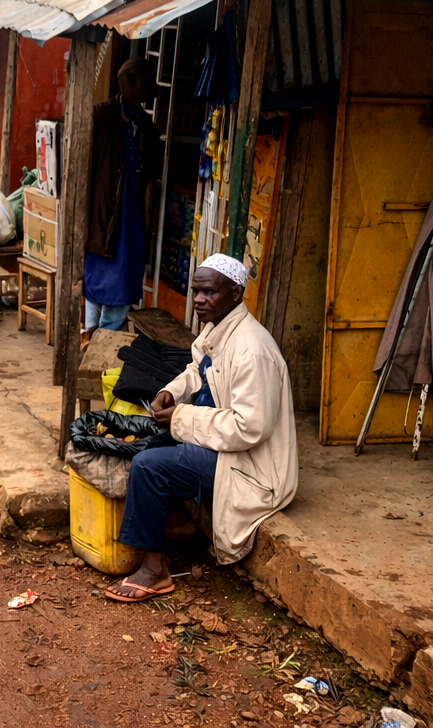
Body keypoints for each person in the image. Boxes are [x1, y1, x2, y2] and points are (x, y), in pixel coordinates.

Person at [104, 254, 297, 602]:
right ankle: (180, 523)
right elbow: (197, 369)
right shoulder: (217, 330)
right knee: (148, 441)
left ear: (236, 293)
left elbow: (249, 428)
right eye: (196, 292)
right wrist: (170, 392)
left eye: (209, 292)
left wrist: (182, 419)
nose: (198, 300)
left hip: (251, 465)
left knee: (149, 466)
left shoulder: (252, 350)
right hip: (224, 449)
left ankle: (154, 571)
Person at [83, 59, 160, 335]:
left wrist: (148, 224)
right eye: (140, 86)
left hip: (133, 216)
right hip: (101, 212)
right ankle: (90, 333)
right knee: (97, 274)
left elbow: (150, 178)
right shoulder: (100, 117)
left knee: (124, 277)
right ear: (127, 85)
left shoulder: (148, 130)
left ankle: (104, 338)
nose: (143, 95)